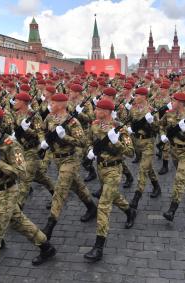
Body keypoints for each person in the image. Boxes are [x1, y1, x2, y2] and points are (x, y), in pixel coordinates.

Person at [0, 105, 56, 283]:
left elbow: (22, 172)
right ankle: (46, 246)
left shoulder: (10, 144)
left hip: (7, 193)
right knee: (19, 221)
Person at [84, 98, 136, 262]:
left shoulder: (120, 129)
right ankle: (129, 211)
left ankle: (98, 246)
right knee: (113, 196)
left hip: (114, 169)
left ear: (106, 112)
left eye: (98, 109)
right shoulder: (94, 125)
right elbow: (88, 140)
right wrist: (90, 150)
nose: (95, 111)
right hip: (101, 168)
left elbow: (130, 152)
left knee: (104, 205)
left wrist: (116, 142)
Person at [41, 93, 97, 241]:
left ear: (60, 105)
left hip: (70, 159)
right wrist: (44, 141)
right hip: (57, 159)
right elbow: (42, 129)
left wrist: (64, 137)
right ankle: (91, 207)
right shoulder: (50, 117)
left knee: (60, 191)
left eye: (52, 103)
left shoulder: (73, 123)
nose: (50, 105)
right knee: (77, 185)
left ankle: (49, 226)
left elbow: (82, 142)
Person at [160, 92, 185, 222]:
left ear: (181, 103)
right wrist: (162, 135)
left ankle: (172, 209)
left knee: (179, 179)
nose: (172, 102)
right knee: (184, 175)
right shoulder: (169, 113)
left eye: (174, 100)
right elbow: (161, 125)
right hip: (174, 151)